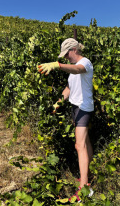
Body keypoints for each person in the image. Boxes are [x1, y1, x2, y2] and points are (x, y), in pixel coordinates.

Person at [38, 38, 94, 202]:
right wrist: (58, 102)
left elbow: (78, 70)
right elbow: (69, 88)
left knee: (79, 145)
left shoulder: (85, 63)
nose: (66, 57)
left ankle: (85, 189)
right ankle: (88, 174)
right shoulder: (72, 69)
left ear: (74, 49)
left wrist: (58, 65)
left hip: (84, 108)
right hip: (76, 107)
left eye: (67, 54)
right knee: (86, 142)